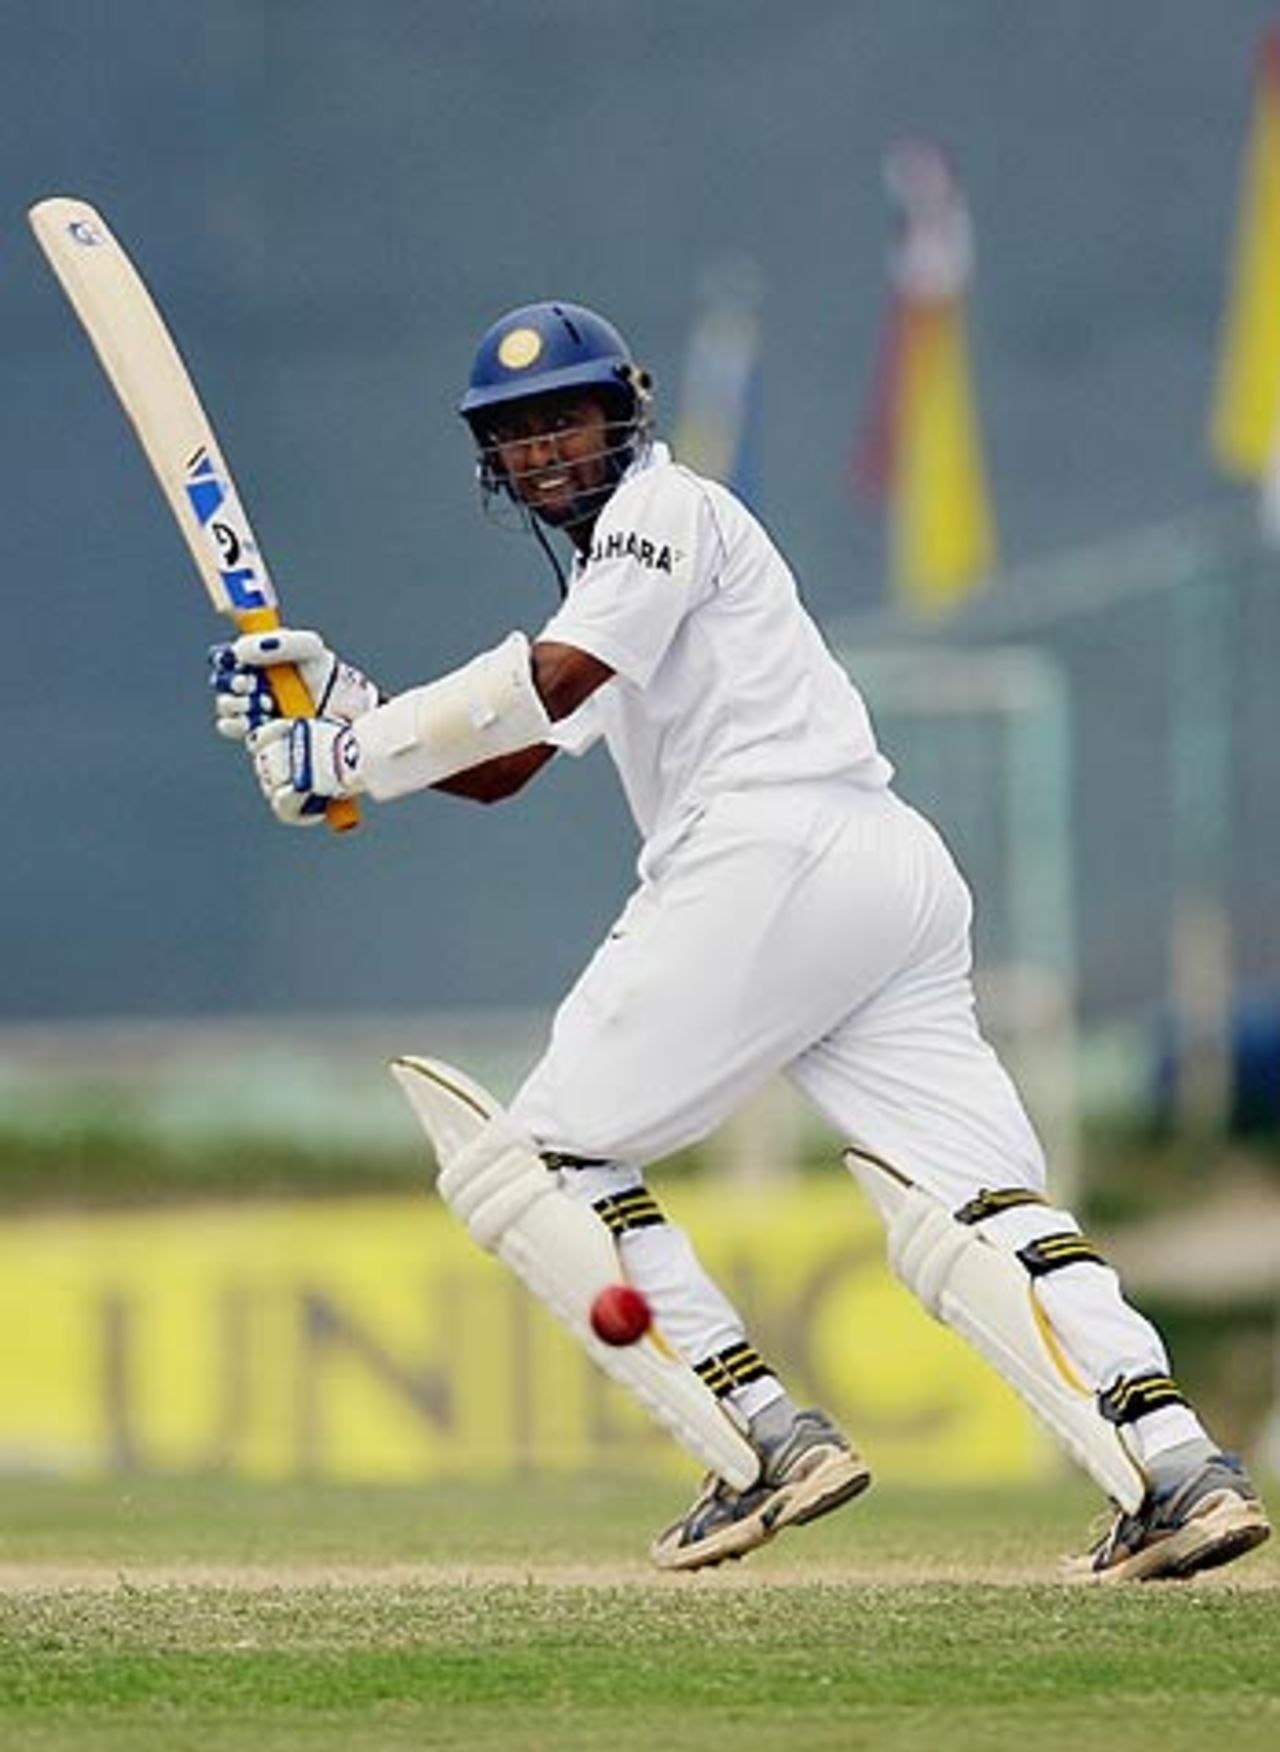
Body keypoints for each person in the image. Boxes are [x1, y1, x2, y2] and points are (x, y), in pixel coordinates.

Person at [211, 299, 1270, 1580]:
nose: (547, 450)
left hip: (769, 853)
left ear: (623, 415)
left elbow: (540, 686)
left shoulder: (668, 510)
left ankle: (763, 1440)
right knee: (975, 1205)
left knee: (542, 1166)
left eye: (567, 418)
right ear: (492, 462)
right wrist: (346, 715)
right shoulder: (608, 581)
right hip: (884, 876)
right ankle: (1175, 1468)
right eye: (517, 433)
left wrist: (348, 754)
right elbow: (506, 762)